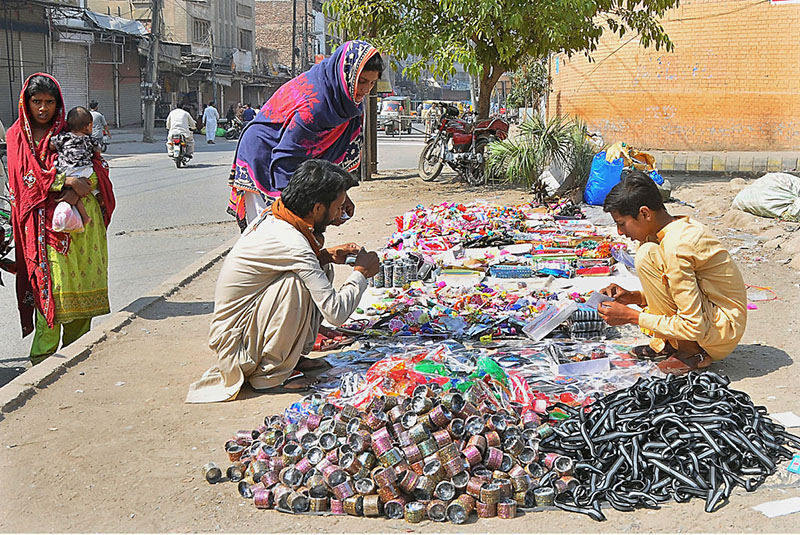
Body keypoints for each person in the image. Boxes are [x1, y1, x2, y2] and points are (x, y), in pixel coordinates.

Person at [186, 159, 380, 402]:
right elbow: (336, 313)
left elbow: (313, 255)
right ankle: (270, 374)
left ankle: (291, 358)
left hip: (248, 332)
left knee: (321, 265)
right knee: (296, 284)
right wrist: (361, 273)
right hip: (237, 348)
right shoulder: (291, 242)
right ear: (317, 208)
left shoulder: (280, 214)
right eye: (338, 207)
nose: (341, 212)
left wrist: (325, 255)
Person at [6, 73, 115, 364]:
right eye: (36, 102)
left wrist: (85, 185)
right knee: (49, 292)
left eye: (50, 102)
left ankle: (77, 358)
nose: (43, 108)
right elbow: (22, 181)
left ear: (58, 103)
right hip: (43, 231)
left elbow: (98, 170)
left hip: (83, 227)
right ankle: (43, 362)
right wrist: (65, 181)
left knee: (82, 289)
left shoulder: (68, 131)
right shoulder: (17, 136)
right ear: (25, 103)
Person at [597, 170, 747, 375]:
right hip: (709, 319)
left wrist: (632, 317)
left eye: (621, 224)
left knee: (645, 254)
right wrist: (633, 298)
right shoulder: (665, 232)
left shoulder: (677, 245)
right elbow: (676, 291)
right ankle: (670, 343)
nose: (620, 232)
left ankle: (690, 351)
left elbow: (694, 325)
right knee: (646, 252)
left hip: (720, 331)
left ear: (644, 213)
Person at [227, 40, 384, 230]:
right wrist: (306, 218)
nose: (366, 90)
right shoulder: (314, 107)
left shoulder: (349, 102)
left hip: (289, 158)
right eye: (362, 81)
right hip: (265, 157)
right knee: (275, 231)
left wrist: (340, 197)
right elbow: (285, 165)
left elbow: (327, 165)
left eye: (372, 83)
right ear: (346, 76)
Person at [49, 106, 104, 230]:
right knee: (89, 182)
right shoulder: (89, 139)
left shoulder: (63, 137)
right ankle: (96, 195)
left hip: (67, 171)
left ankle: (82, 216)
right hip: (85, 170)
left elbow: (51, 145)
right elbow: (98, 151)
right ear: (88, 126)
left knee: (74, 192)